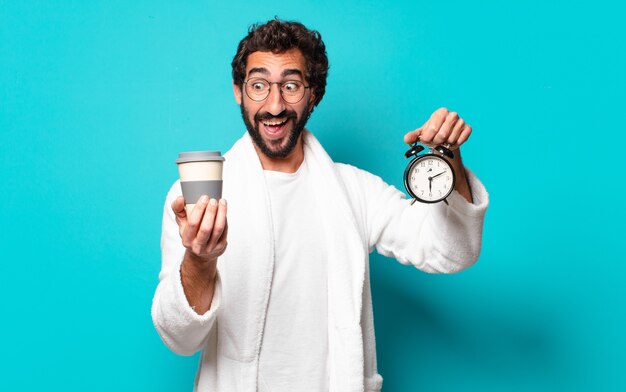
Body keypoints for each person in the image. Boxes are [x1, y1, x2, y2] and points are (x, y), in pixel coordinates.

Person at [152, 18, 488, 392]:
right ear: (238, 91)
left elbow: (450, 251)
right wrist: (199, 259)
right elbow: (179, 338)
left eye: (291, 86)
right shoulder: (196, 201)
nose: (274, 105)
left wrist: (449, 160)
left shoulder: (355, 190)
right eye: (259, 85)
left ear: (314, 94)